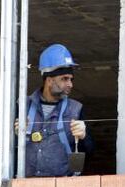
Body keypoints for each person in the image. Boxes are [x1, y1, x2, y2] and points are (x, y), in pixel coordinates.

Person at [15, 43, 93, 177]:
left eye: (71, 79)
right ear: (49, 80)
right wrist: (15, 136)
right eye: (64, 79)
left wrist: (84, 137)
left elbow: (89, 153)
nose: (70, 84)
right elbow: (5, 154)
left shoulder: (75, 109)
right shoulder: (22, 106)